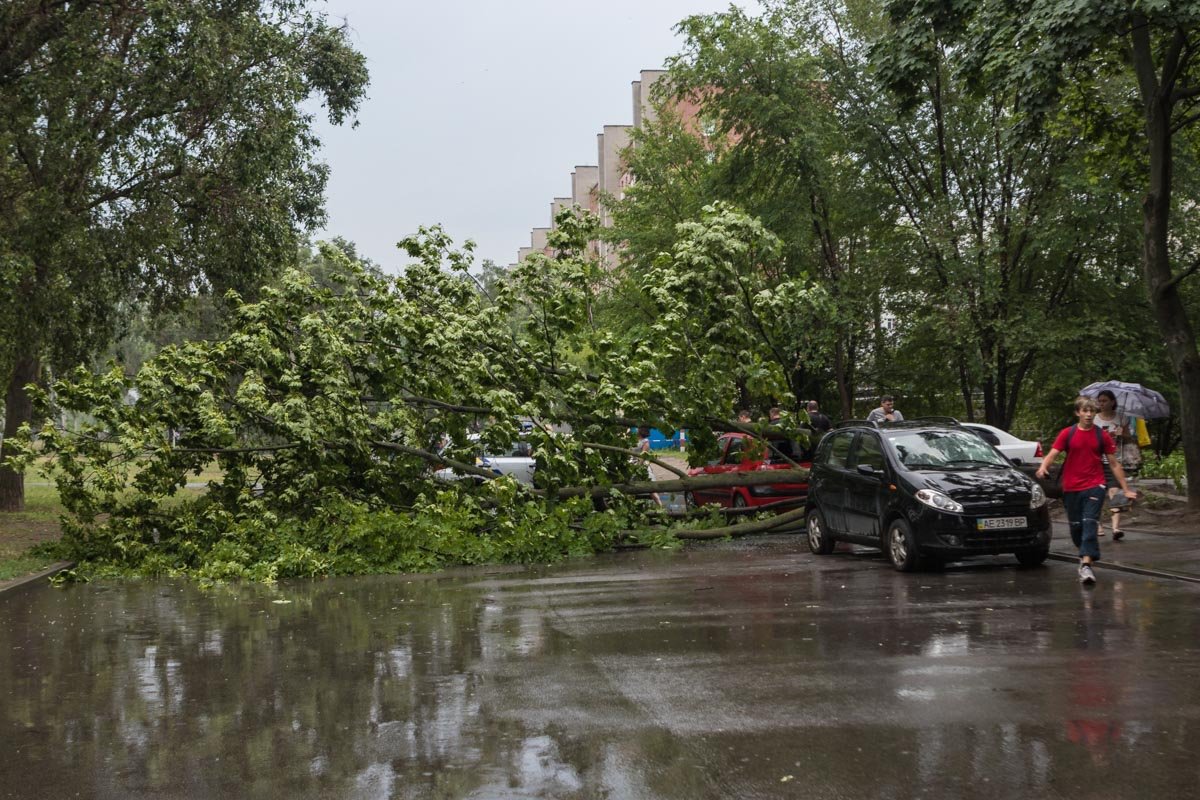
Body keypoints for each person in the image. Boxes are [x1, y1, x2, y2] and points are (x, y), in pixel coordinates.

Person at [1035, 396, 1136, 585]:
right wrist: (1043, 468)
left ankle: (1086, 564)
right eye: (1085, 411)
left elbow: (1114, 463)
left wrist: (1126, 489)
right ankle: (1086, 557)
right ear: (1078, 413)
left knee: (1090, 523)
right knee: (1076, 528)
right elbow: (1053, 454)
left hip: (1095, 485)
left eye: (1092, 411)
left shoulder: (1101, 435)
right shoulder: (1068, 434)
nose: (1089, 415)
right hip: (1071, 487)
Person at [1094, 389, 1131, 540]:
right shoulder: (1094, 419)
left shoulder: (1122, 418)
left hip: (1115, 461)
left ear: (1112, 402)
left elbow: (1129, 439)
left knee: (1115, 494)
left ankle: (1116, 528)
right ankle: (1098, 525)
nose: (1102, 404)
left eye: (1105, 401)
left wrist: (1123, 434)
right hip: (1097, 462)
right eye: (1100, 401)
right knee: (1096, 495)